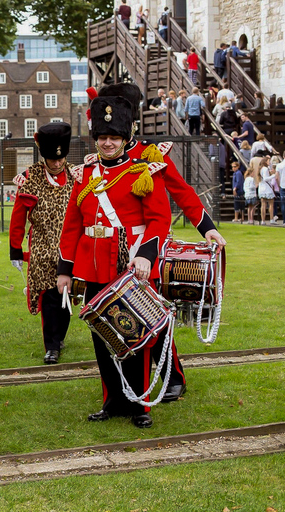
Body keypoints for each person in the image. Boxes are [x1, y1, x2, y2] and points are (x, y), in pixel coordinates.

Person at [96, 83, 227, 402]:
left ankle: (172, 376)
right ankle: (124, 389)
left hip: (145, 248)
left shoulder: (149, 155)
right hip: (107, 251)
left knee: (149, 316)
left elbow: (181, 191)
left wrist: (206, 227)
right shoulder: (99, 156)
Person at [56, 95, 171, 428]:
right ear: (96, 139)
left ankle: (140, 405)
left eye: (114, 138)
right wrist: (65, 271)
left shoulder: (143, 173)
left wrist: (147, 255)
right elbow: (72, 226)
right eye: (103, 137)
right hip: (93, 266)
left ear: (125, 138)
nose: (108, 143)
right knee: (103, 335)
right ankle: (113, 400)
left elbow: (160, 219)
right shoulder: (85, 175)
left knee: (135, 336)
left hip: (129, 265)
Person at [9, 123, 74, 365]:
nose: (57, 164)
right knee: (48, 298)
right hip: (41, 248)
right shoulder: (30, 177)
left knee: (66, 298)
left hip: (69, 248)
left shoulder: (77, 175)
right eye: (51, 159)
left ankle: (60, 338)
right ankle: (51, 346)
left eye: (60, 159)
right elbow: (18, 217)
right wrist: (15, 249)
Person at [256, 155, 277, 224]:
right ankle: (271, 219)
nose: (269, 162)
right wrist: (273, 176)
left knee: (263, 204)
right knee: (271, 204)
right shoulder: (265, 169)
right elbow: (265, 178)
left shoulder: (261, 169)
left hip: (262, 188)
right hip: (267, 188)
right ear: (265, 162)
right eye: (268, 161)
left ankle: (263, 220)